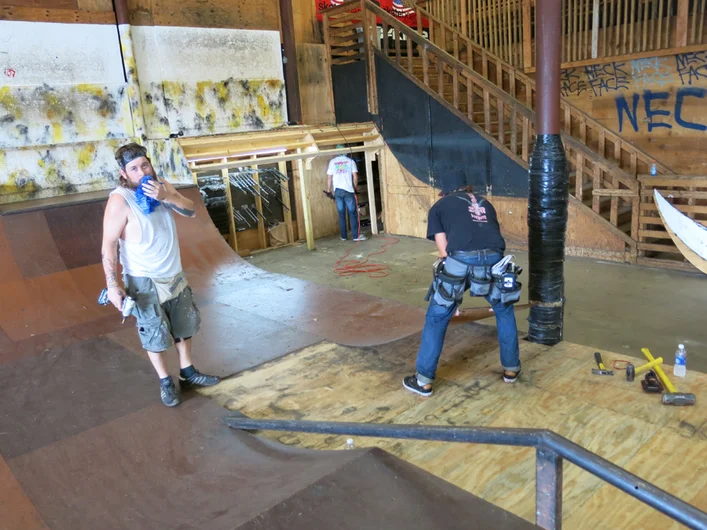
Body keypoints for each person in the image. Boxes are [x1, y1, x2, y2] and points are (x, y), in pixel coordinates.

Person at [101, 142, 220, 407]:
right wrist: (112, 284)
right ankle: (165, 380)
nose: (142, 171)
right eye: (134, 168)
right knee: (155, 333)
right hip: (144, 279)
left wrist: (166, 196)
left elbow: (189, 209)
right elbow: (108, 243)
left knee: (183, 325)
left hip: (173, 273)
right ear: (124, 173)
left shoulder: (161, 185)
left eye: (145, 164)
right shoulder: (120, 200)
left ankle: (187, 372)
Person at [403, 173, 521, 397]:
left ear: (446, 192)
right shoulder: (486, 203)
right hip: (496, 259)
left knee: (437, 317)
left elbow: (444, 252)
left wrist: (451, 295)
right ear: (467, 188)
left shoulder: (439, 206)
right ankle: (511, 370)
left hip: (461, 258)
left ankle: (423, 381)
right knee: (504, 310)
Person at [327, 146, 366, 241]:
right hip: (348, 191)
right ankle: (356, 236)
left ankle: (343, 236)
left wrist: (329, 190)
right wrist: (355, 188)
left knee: (341, 214)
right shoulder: (350, 161)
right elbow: (355, 176)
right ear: (346, 152)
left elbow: (329, 178)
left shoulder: (332, 162)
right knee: (352, 213)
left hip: (338, 191)